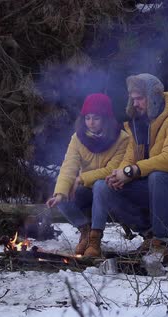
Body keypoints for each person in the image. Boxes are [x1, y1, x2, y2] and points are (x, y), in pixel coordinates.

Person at [87, 73, 168, 263]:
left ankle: (160, 244)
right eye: (133, 99)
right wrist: (118, 174)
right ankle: (147, 235)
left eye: (139, 98)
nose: (135, 103)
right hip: (155, 188)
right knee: (104, 186)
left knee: (157, 176)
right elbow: (129, 158)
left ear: (153, 97)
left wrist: (132, 171)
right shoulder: (138, 124)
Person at [46, 93, 129, 256]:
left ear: (106, 119)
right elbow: (69, 166)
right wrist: (60, 193)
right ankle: (85, 231)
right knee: (63, 195)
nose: (91, 123)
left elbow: (111, 170)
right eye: (87, 118)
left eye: (96, 118)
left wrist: (82, 178)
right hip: (88, 191)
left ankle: (95, 239)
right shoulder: (78, 138)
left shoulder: (122, 138)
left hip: (112, 191)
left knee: (100, 185)